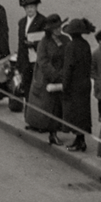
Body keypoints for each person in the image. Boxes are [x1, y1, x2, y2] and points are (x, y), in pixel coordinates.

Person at [26, 13, 69, 145]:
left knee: (60, 106)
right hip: (47, 79)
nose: (58, 30)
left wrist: (65, 73)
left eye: (59, 27)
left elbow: (69, 57)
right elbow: (43, 62)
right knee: (51, 107)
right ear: (50, 29)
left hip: (62, 76)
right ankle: (52, 134)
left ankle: (59, 127)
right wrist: (55, 75)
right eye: (55, 28)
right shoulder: (43, 43)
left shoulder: (66, 39)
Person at [61, 17, 94, 151]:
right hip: (85, 83)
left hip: (74, 84)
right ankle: (80, 139)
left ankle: (79, 141)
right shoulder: (85, 44)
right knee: (83, 113)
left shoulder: (71, 46)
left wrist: (65, 85)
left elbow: (68, 67)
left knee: (74, 113)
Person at [13, 0, 47, 107]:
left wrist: (33, 44)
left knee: (37, 87)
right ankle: (29, 112)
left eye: (32, 7)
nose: (30, 10)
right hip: (25, 60)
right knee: (26, 87)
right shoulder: (22, 22)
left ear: (36, 7)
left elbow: (45, 41)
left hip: (36, 60)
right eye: (27, 8)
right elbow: (20, 44)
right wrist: (19, 63)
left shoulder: (43, 21)